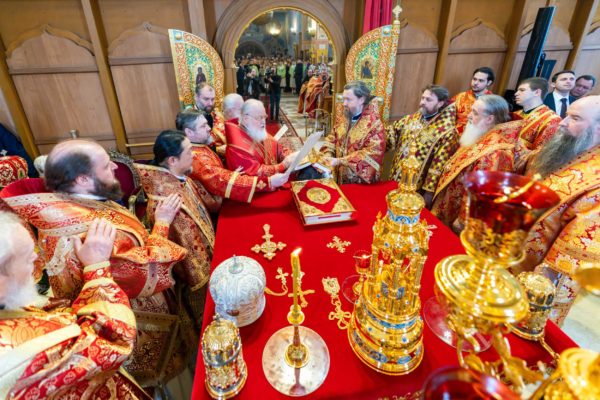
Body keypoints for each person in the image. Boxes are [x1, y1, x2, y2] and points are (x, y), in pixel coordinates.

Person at [0, 139, 189, 387]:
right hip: (132, 325)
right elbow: (143, 276)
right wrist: (162, 224)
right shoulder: (82, 229)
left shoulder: (73, 202)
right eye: (106, 165)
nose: (115, 166)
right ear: (82, 179)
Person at [0, 214, 150, 399]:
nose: (36, 258)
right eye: (26, 258)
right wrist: (97, 268)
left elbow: (41, 312)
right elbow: (109, 340)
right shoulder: (18, 349)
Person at [518, 95, 600, 326]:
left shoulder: (595, 185)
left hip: (531, 286)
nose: (562, 122)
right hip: (512, 260)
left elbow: (565, 261)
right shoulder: (570, 149)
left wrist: (531, 302)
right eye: (566, 115)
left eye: (575, 118)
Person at [136, 131, 216, 333]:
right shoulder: (168, 203)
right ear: (172, 160)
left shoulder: (179, 179)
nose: (194, 155)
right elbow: (191, 256)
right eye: (189, 151)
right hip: (198, 280)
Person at [431, 95, 523, 231]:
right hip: (446, 206)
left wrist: (462, 222)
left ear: (489, 119)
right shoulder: (479, 135)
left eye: (474, 113)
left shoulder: (496, 152)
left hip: (458, 222)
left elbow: (482, 195)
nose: (468, 115)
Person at [176, 110, 286, 208]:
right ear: (189, 132)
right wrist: (268, 182)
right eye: (203, 126)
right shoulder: (196, 157)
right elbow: (223, 181)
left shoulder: (197, 145)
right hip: (219, 205)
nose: (209, 128)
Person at [387, 85, 458, 207]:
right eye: (423, 98)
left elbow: (438, 166)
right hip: (395, 179)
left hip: (416, 189)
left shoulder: (447, 132)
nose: (423, 102)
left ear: (440, 103)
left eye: (428, 100)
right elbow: (391, 134)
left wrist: (428, 194)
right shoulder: (412, 119)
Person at [321, 81, 386, 184]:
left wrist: (340, 161)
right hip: (338, 179)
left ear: (361, 100)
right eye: (343, 99)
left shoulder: (374, 126)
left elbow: (371, 157)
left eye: (348, 99)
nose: (344, 103)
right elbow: (332, 138)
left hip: (360, 185)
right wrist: (328, 155)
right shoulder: (344, 118)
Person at [226, 99, 296, 179]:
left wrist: (289, 156)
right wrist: (283, 165)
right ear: (246, 119)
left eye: (264, 117)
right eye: (259, 118)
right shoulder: (238, 145)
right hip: (263, 185)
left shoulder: (255, 130)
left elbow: (278, 149)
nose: (263, 122)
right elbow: (256, 173)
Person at [514, 77, 561, 150]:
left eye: (522, 90)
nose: (516, 94)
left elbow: (541, 151)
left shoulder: (552, 120)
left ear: (537, 92)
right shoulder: (515, 114)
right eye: (517, 90)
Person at [451, 67, 495, 135]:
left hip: (479, 136)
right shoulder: (461, 96)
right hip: (455, 134)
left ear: (489, 83)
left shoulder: (493, 102)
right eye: (474, 79)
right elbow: (448, 116)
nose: (475, 83)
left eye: (480, 81)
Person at [195, 82, 226, 152]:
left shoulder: (218, 114)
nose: (210, 103)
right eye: (206, 99)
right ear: (196, 97)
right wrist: (218, 150)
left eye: (212, 99)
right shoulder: (190, 120)